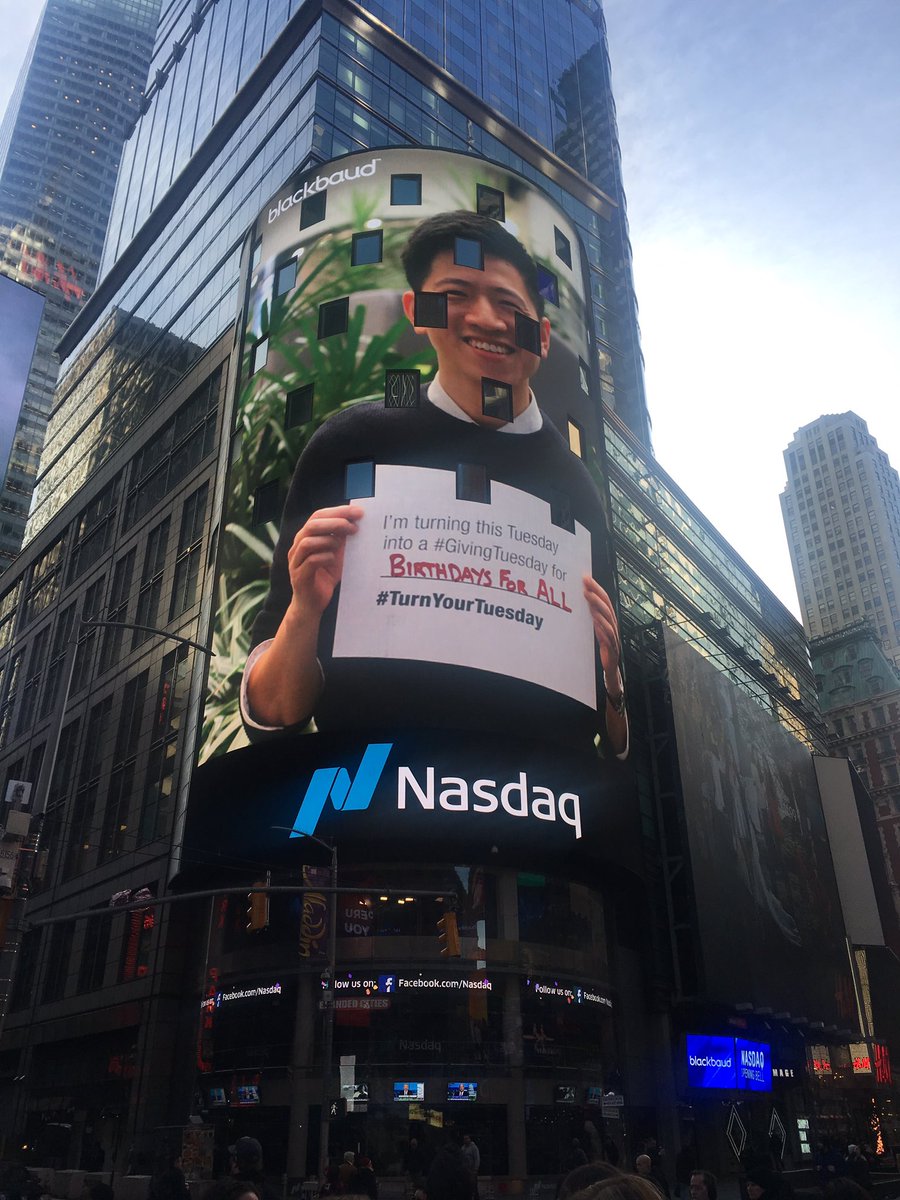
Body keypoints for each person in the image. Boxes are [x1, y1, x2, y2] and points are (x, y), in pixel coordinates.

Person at [243, 211, 628, 758]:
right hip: (362, 814)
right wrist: (304, 611)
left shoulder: (577, 487)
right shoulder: (349, 443)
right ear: (416, 312)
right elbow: (275, 713)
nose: (485, 319)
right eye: (455, 294)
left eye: (509, 305)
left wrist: (612, 685)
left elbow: (609, 738)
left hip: (540, 820)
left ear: (541, 337)